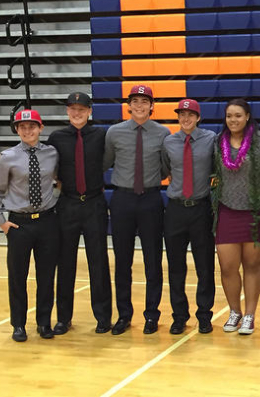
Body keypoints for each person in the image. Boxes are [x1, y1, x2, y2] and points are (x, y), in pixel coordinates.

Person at [103, 84, 170, 335]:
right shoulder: (114, 133)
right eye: (135, 101)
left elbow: (165, 168)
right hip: (122, 199)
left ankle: (152, 315)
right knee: (123, 260)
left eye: (145, 101)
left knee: (153, 259)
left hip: (151, 199)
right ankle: (123, 315)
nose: (140, 106)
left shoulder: (163, 133)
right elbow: (105, 162)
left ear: (152, 106)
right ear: (128, 105)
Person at [0, 109, 60, 342]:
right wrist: (2, 221)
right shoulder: (7, 157)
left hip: (47, 221)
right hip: (19, 224)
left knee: (46, 276)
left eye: (32, 126)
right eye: (22, 127)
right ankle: (18, 324)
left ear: (40, 127)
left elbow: (59, 179)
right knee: (18, 276)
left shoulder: (52, 154)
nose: (27, 130)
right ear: (17, 130)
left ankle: (44, 322)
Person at [47, 92, 112, 335]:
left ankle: (103, 317)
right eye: (72, 109)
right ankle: (64, 318)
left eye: (81, 109)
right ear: (67, 111)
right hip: (68, 204)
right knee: (65, 263)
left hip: (94, 203)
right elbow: (46, 165)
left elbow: (108, 161)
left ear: (89, 111)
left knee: (98, 262)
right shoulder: (56, 137)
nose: (77, 113)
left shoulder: (101, 135)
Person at [213, 98, 260, 335]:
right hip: (227, 211)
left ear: (247, 116)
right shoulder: (218, 142)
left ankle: (249, 315)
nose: (233, 120)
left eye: (238, 115)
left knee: (251, 264)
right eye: (229, 116)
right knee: (227, 267)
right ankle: (234, 311)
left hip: (255, 213)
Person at [162, 99, 216, 335]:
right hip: (175, 209)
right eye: (181, 114)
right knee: (176, 266)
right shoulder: (169, 142)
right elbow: (166, 170)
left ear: (198, 117)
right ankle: (179, 315)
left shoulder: (210, 139)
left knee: (204, 265)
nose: (185, 119)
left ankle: (204, 315)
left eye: (190, 115)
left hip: (200, 208)